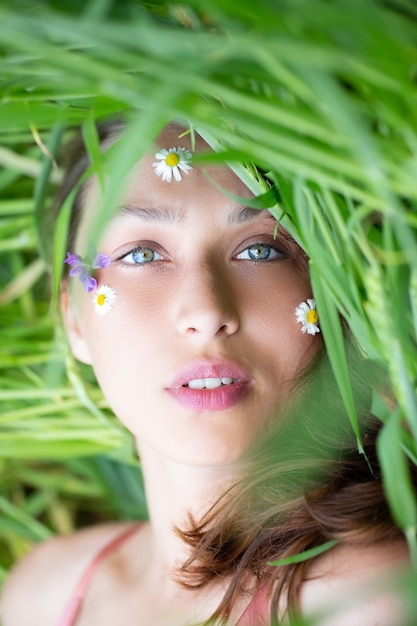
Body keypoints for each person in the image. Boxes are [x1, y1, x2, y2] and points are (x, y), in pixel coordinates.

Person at [1, 120, 414, 626]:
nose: (205, 310)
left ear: (332, 301)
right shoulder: (43, 590)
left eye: (260, 249)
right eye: (143, 254)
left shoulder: (368, 600)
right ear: (74, 321)